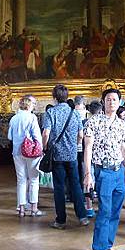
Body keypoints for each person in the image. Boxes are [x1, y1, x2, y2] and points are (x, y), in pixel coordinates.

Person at [83, 88, 125, 250]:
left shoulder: (121, 124)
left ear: (119, 102)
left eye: (115, 99)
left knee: (115, 212)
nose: (111, 102)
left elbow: (124, 150)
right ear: (103, 102)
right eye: (108, 99)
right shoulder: (93, 121)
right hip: (103, 172)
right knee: (104, 212)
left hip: (119, 171)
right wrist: (88, 174)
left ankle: (108, 244)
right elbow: (88, 148)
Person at [43, 85, 89, 229]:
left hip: (57, 156)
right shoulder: (74, 113)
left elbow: (46, 133)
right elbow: (81, 135)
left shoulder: (50, 112)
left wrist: (45, 147)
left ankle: (61, 220)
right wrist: (74, 145)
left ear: (54, 97)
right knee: (76, 185)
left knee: (59, 188)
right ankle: (82, 217)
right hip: (72, 155)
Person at [7, 95, 44, 217]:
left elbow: (9, 137)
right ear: (28, 105)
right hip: (32, 152)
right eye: (33, 104)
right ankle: (34, 209)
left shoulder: (14, 118)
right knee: (33, 180)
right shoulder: (32, 117)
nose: (34, 106)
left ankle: (21, 209)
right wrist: (42, 149)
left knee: (21, 181)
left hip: (17, 152)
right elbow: (37, 136)